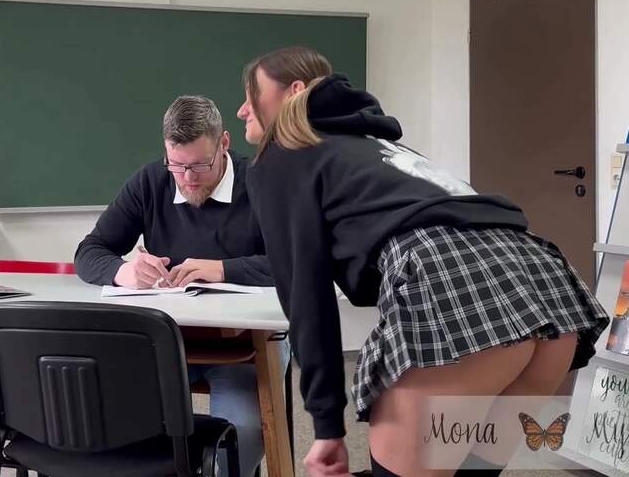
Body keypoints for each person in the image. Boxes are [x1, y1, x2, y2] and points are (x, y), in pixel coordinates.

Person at [238, 46, 609, 477]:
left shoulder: (283, 154)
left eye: (251, 94)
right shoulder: (377, 145)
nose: (243, 109)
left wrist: (326, 426)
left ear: (293, 91)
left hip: (460, 292)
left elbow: (307, 294)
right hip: (545, 292)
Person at [75, 95, 278, 477]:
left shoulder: (262, 182)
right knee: (119, 424)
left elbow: (295, 264)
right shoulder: (150, 181)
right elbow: (89, 252)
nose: (187, 178)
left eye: (200, 165)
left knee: (241, 436)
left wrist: (224, 269)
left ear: (224, 144)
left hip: (245, 347)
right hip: (166, 344)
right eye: (177, 165)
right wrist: (123, 271)